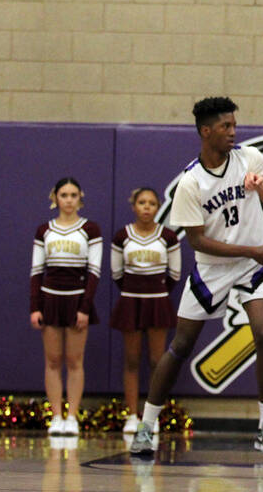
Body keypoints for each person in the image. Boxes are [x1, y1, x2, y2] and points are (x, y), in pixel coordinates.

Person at [130, 96, 263, 458]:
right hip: (214, 268)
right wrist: (251, 250)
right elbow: (197, 241)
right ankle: (146, 427)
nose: (233, 131)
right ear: (205, 131)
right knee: (180, 346)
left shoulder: (249, 158)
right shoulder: (190, 183)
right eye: (225, 127)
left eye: (234, 125)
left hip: (253, 264)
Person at [31, 176, 101, 438]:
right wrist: (35, 307)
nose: (69, 200)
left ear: (80, 198)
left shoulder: (90, 229)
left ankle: (72, 417)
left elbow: (94, 271)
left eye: (73, 195)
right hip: (50, 299)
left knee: (74, 360)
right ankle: (56, 416)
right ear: (55, 198)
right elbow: (36, 271)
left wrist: (85, 307)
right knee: (52, 360)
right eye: (64, 195)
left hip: (77, 299)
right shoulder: (44, 230)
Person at [110, 187, 181, 436]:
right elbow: (117, 273)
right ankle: (131, 415)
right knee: (131, 360)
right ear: (134, 206)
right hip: (130, 301)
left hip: (158, 302)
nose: (147, 207)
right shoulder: (122, 236)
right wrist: (134, 289)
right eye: (142, 202)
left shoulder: (168, 237)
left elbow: (174, 274)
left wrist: (156, 292)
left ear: (158, 207)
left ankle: (151, 417)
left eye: (151, 203)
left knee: (156, 362)